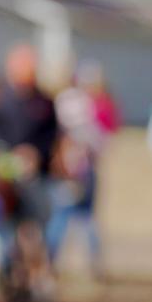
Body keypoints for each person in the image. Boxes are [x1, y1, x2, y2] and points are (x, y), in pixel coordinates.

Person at [0, 45, 57, 302]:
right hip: (5, 180)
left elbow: (52, 137)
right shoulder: (1, 100)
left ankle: (32, 283)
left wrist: (36, 154)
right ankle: (7, 280)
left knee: (33, 234)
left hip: (35, 177)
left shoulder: (44, 102)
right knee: (5, 233)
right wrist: (3, 158)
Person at [48, 74, 106, 279]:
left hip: (69, 171)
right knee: (83, 218)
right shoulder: (84, 105)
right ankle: (93, 263)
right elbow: (99, 142)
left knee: (63, 217)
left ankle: (51, 260)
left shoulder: (61, 104)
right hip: (81, 170)